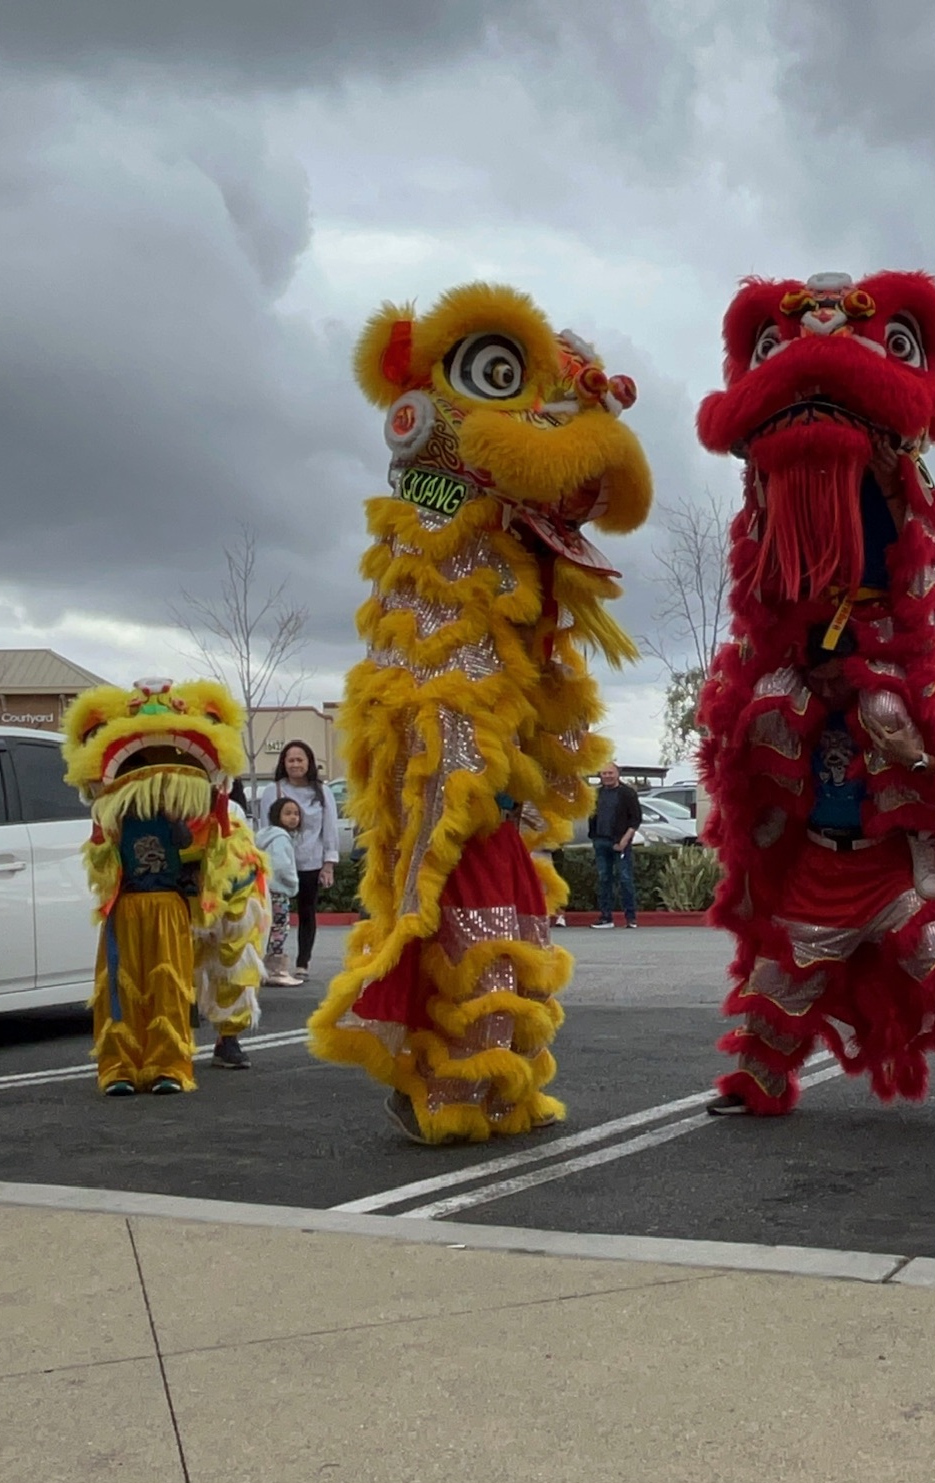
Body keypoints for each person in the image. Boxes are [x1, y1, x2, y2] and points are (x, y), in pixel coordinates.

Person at [307, 284, 648, 1145]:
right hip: (450, 767)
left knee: (507, 927)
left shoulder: (512, 545)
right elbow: (424, 673)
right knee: (468, 922)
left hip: (494, 780)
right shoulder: (433, 526)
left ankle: (499, 1090)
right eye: (503, 378)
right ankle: (450, 1090)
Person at [691, 270, 935, 1134]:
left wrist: (898, 722)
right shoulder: (781, 704)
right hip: (817, 868)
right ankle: (757, 1082)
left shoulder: (898, 706)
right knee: (779, 981)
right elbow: (751, 784)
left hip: (889, 869)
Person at [60, 678, 271, 1094]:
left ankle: (176, 1063)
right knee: (122, 988)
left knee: (171, 985)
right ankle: (119, 1068)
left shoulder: (207, 819)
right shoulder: (114, 819)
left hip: (173, 903)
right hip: (129, 909)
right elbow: (102, 863)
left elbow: (206, 847)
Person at [260, 740, 337, 981]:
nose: (295, 764)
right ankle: (273, 963)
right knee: (274, 916)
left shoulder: (322, 792)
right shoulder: (273, 791)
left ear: (309, 763)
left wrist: (328, 864)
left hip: (310, 863)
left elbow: (330, 829)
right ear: (283, 763)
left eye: (300, 760)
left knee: (307, 912)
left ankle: (303, 963)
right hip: (278, 865)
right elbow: (265, 829)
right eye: (291, 760)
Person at [256, 797, 306, 987]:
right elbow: (281, 865)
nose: (293, 817)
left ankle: (262, 968)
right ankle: (275, 970)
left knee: (265, 929)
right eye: (288, 813)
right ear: (277, 816)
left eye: (296, 814)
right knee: (279, 929)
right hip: (277, 891)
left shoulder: (265, 836)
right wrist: (293, 883)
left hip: (263, 890)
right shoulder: (281, 838)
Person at [588, 764, 641, 929]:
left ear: (617, 774)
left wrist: (625, 840)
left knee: (625, 879)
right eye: (604, 773)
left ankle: (631, 918)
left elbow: (635, 820)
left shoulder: (627, 793)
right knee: (604, 879)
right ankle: (606, 917)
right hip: (600, 841)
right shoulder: (596, 794)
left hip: (620, 842)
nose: (607, 776)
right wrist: (594, 837)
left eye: (610, 773)